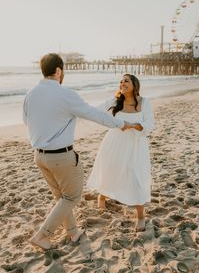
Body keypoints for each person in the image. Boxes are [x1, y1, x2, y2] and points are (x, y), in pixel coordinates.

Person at [23, 53, 134, 250]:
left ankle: (73, 233)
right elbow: (94, 114)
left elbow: (27, 122)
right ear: (58, 70)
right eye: (62, 70)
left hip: (39, 156)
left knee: (61, 197)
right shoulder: (65, 94)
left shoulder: (30, 95)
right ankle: (42, 235)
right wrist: (120, 123)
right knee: (72, 196)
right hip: (61, 156)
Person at [87, 74, 155, 231]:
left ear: (134, 84)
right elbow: (94, 112)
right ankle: (102, 196)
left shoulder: (144, 102)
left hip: (135, 144)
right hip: (114, 141)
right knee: (110, 169)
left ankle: (140, 216)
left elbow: (150, 124)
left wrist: (131, 125)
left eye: (126, 81)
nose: (122, 83)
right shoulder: (114, 101)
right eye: (120, 81)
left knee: (136, 176)